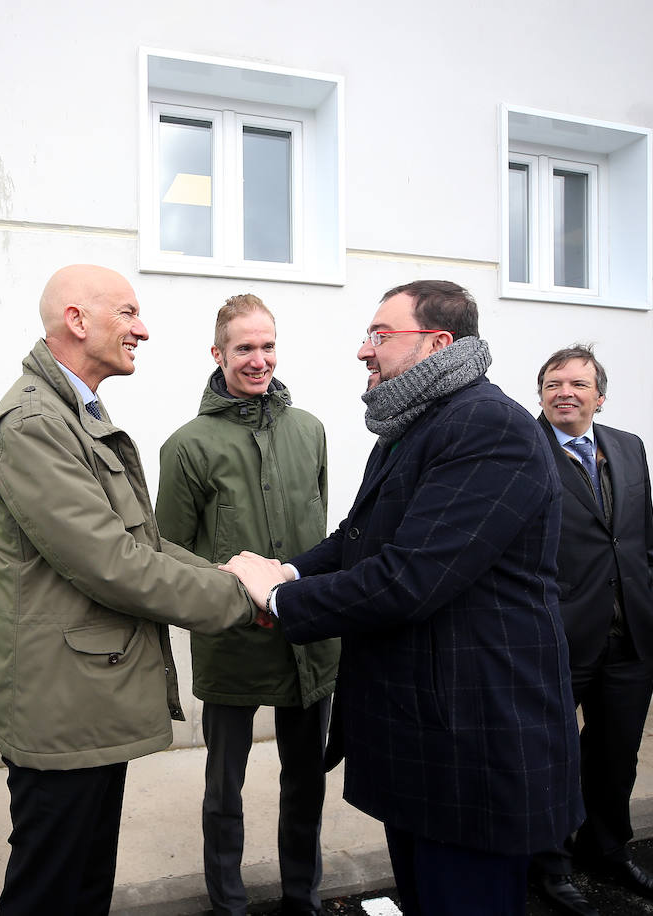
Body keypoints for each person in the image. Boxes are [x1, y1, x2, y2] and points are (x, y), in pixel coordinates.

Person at [222, 280, 582, 916]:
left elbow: (408, 578)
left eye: (380, 336)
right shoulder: (413, 427)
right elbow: (355, 542)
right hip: (423, 731)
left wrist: (279, 602)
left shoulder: (487, 426)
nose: (365, 351)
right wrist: (285, 571)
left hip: (472, 737)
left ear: (438, 342)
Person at [0, 264, 264, 916]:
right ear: (77, 320)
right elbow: (111, 563)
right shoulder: (34, 425)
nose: (144, 329)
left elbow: (144, 542)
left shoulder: (74, 412)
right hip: (65, 711)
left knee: (82, 891)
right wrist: (243, 598)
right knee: (49, 895)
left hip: (89, 703)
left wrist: (229, 574)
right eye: (129, 313)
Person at [155, 293, 338, 916]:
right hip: (233, 644)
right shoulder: (188, 446)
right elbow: (171, 549)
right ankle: (227, 902)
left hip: (308, 642)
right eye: (244, 349)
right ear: (218, 353)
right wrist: (234, 598)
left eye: (267, 347)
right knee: (224, 787)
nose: (258, 360)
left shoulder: (309, 430)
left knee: (305, 782)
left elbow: (318, 529)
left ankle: (301, 895)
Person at [529, 345, 653, 915]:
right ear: (540, 393)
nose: (564, 392)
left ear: (600, 395)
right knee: (551, 759)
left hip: (632, 636)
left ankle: (607, 850)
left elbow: (641, 535)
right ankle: (549, 865)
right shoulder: (523, 448)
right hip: (558, 638)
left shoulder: (627, 446)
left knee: (617, 755)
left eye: (577, 383)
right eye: (552, 383)